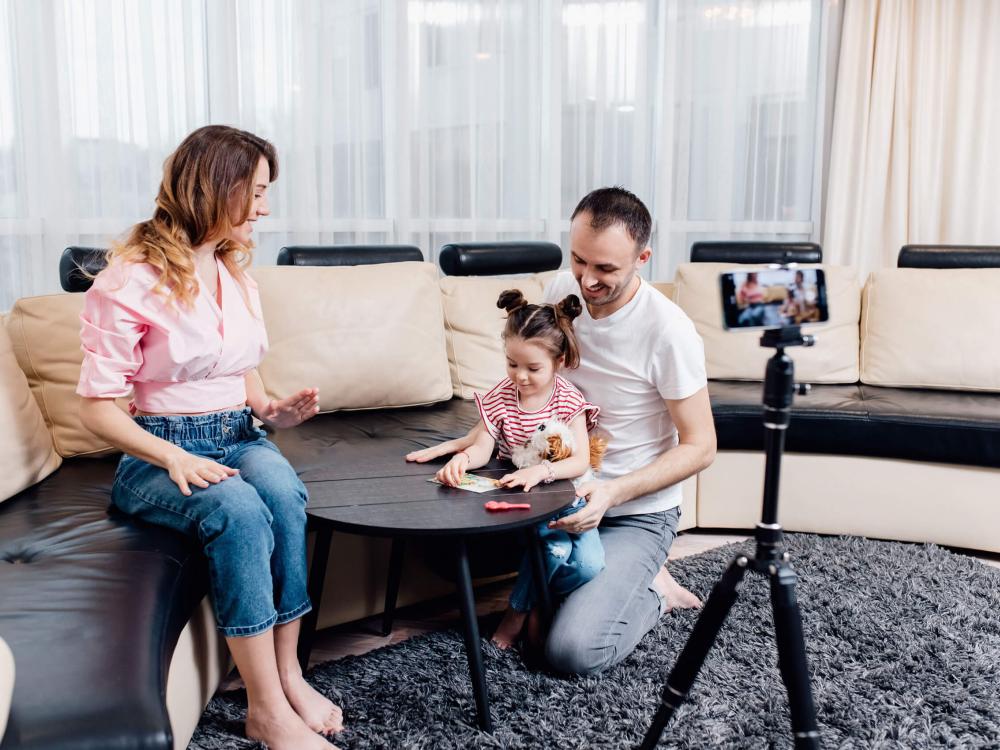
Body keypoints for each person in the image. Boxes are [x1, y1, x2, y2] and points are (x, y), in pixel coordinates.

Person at [76, 126, 342, 750]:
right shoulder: (128, 281)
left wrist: (271, 410)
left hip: (235, 433)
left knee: (284, 493)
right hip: (157, 451)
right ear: (214, 188)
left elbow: (235, 366)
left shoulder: (231, 271)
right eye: (254, 191)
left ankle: (289, 671)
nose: (265, 208)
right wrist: (174, 457)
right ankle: (266, 708)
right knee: (240, 511)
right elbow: (96, 410)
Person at [407, 290, 604, 649]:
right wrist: (462, 459)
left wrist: (541, 471)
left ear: (559, 361)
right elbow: (483, 446)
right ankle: (518, 613)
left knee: (589, 566)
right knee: (555, 551)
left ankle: (536, 604)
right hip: (532, 504)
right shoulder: (501, 396)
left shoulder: (566, 398)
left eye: (533, 368)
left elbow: (580, 461)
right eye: (512, 364)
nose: (520, 377)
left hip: (569, 495)